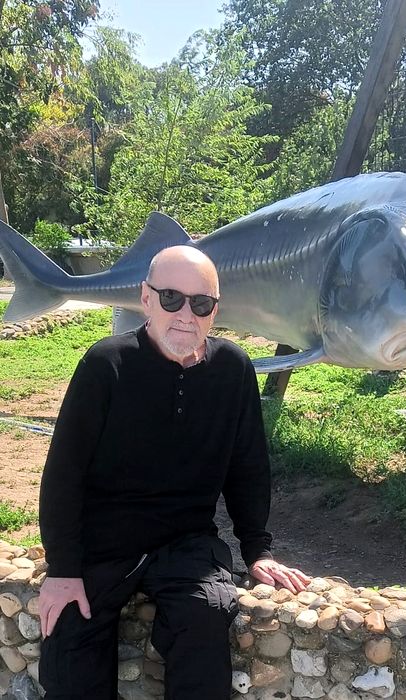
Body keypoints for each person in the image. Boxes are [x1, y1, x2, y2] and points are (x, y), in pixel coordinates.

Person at [38, 245, 310, 700]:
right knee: (71, 642)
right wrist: (63, 568)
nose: (185, 314)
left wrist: (257, 550)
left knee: (207, 616)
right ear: (146, 298)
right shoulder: (106, 364)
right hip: (104, 541)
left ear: (214, 310)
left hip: (186, 541)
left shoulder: (233, 370)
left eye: (200, 303)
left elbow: (247, 467)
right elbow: (64, 471)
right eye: (171, 298)